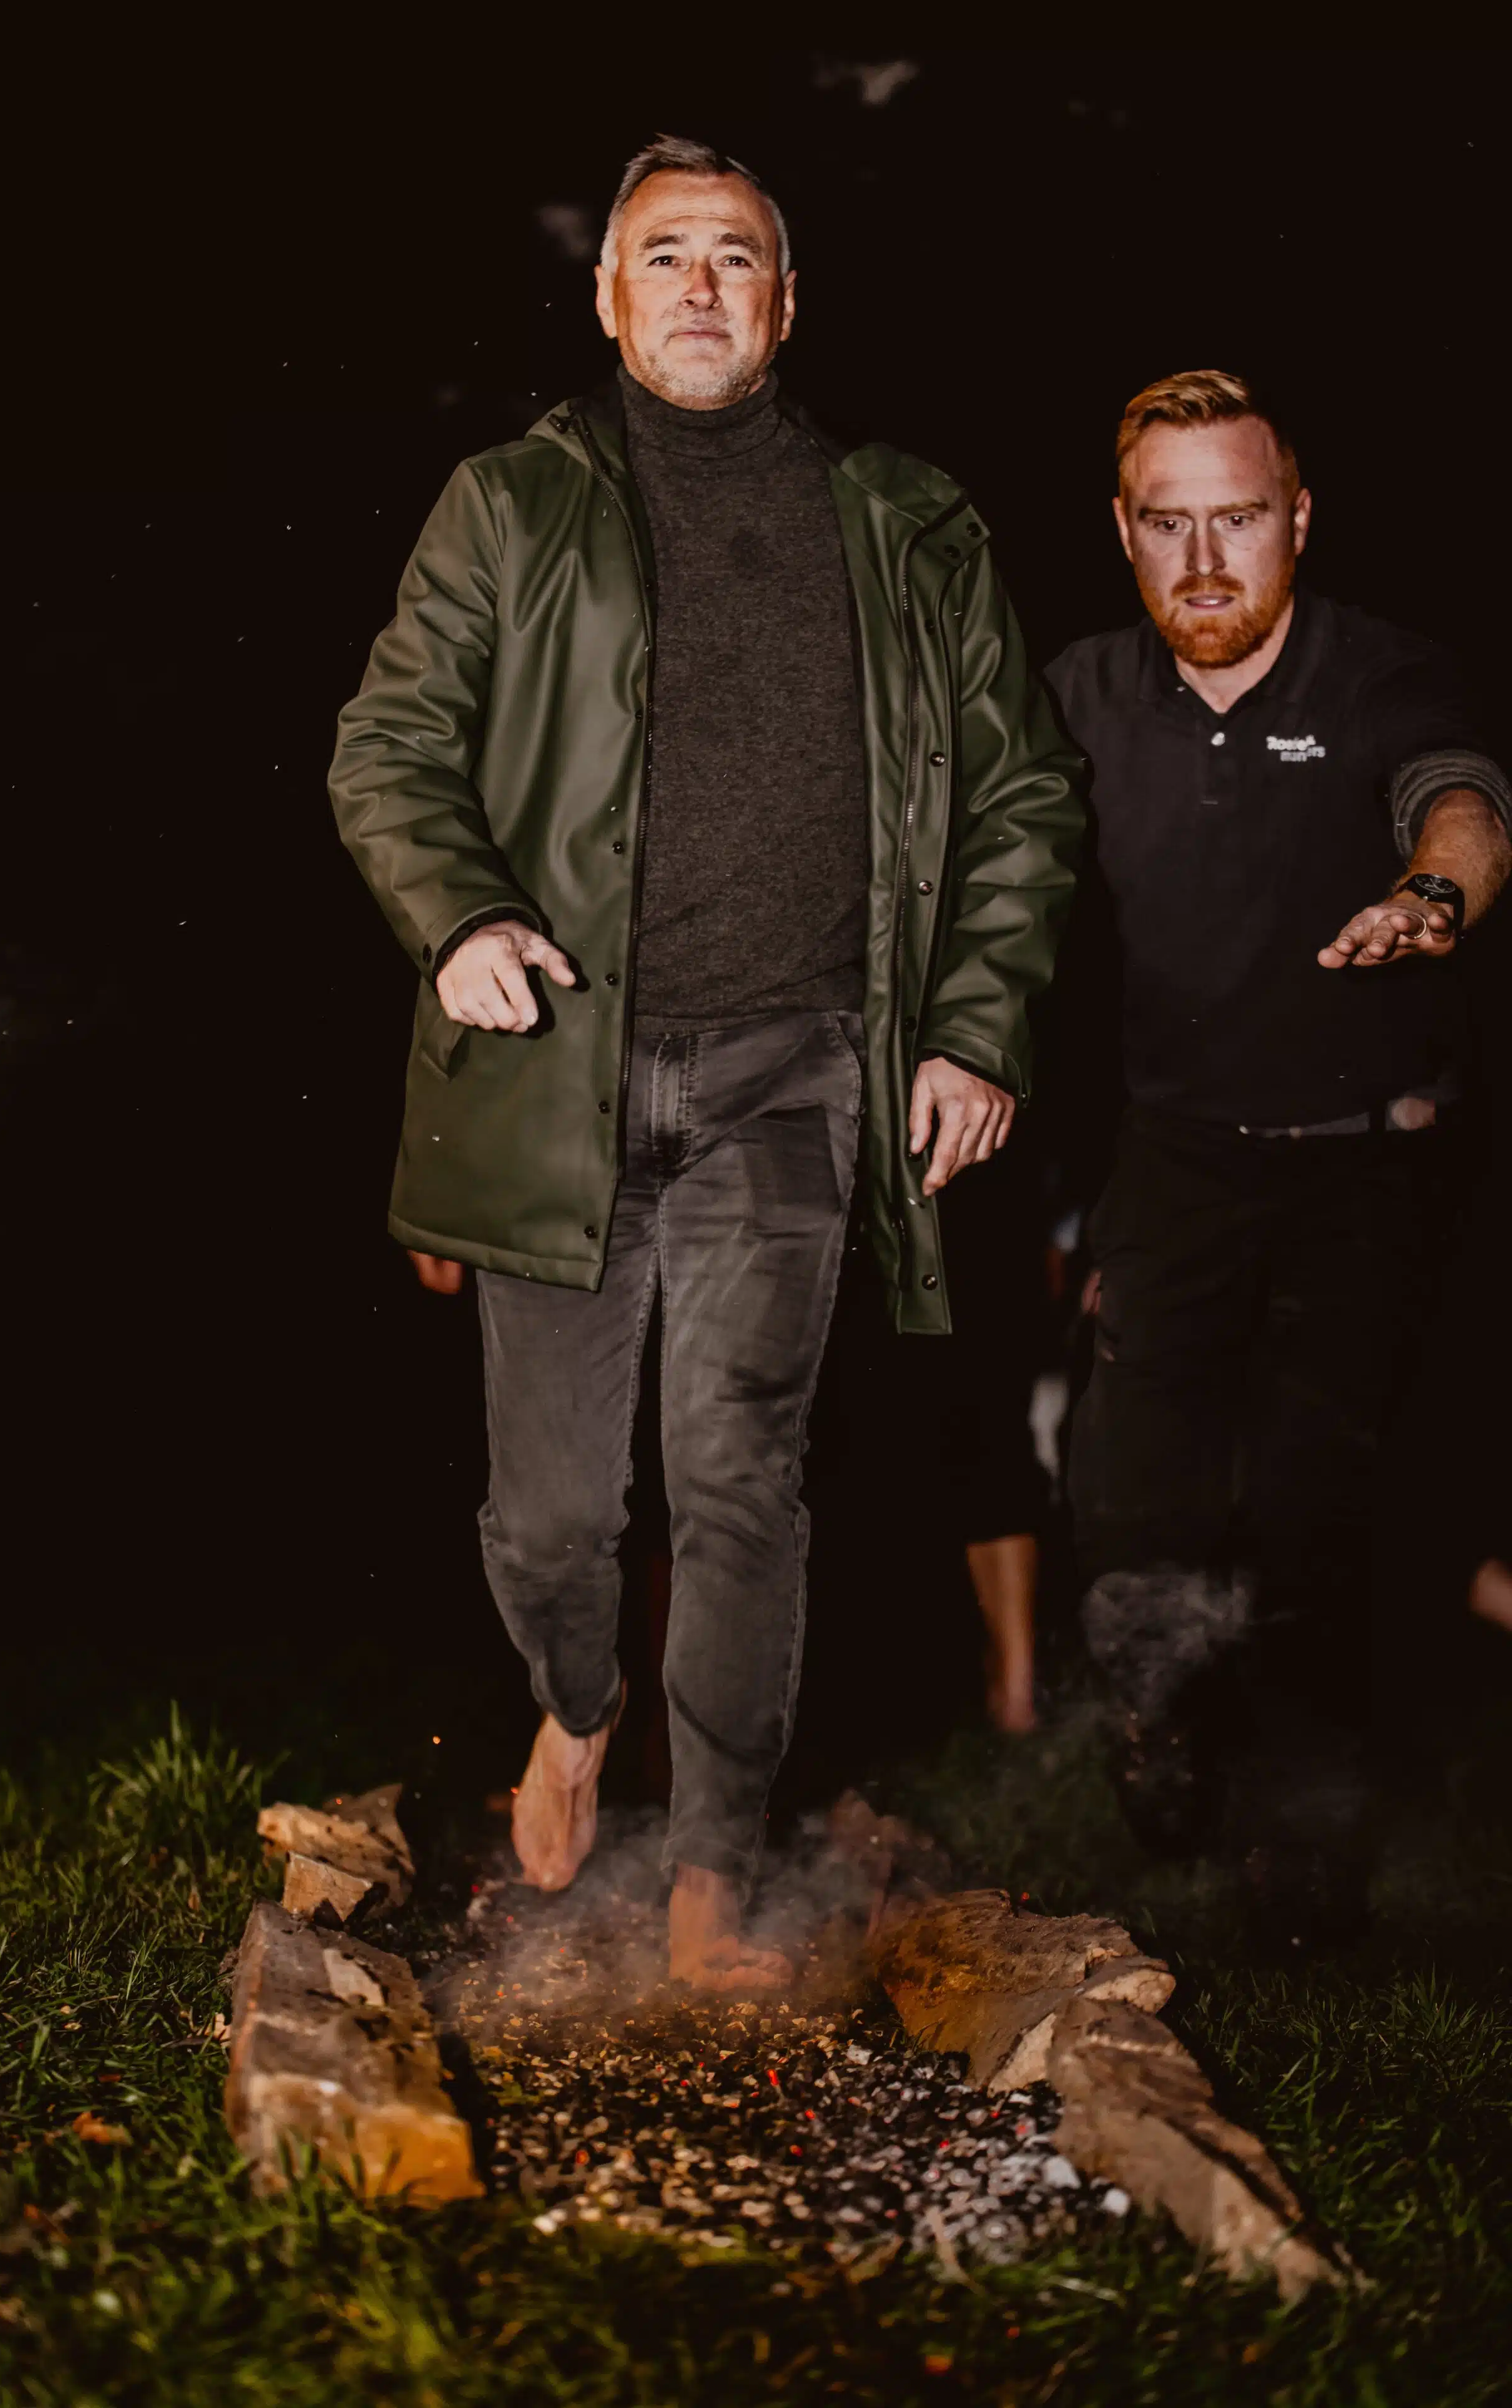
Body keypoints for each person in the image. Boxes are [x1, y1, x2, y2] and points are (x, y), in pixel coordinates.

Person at [329, 136, 1082, 1989]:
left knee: (740, 1476)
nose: (696, 286)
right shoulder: (513, 500)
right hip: (556, 1074)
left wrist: (973, 1023)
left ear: (785, 301)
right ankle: (576, 1705)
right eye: (660, 255)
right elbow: (388, 745)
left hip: (792, 1073)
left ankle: (713, 1874)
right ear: (606, 296)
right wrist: (463, 914)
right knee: (556, 1514)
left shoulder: (903, 520)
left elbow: (1022, 793)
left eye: (733, 257)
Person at [1050, 370, 1511, 1927]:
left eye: (1235, 519)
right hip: (1172, 1153)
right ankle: (1160, 1724)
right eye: (1165, 523)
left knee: (1315, 1515)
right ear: (1121, 530)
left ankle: (1305, 1852)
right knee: (1127, 1502)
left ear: (1295, 519)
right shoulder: (1076, 695)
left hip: (1366, 1169)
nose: (1201, 561)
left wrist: (1431, 894)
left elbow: (1461, 797)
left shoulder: (1376, 670)